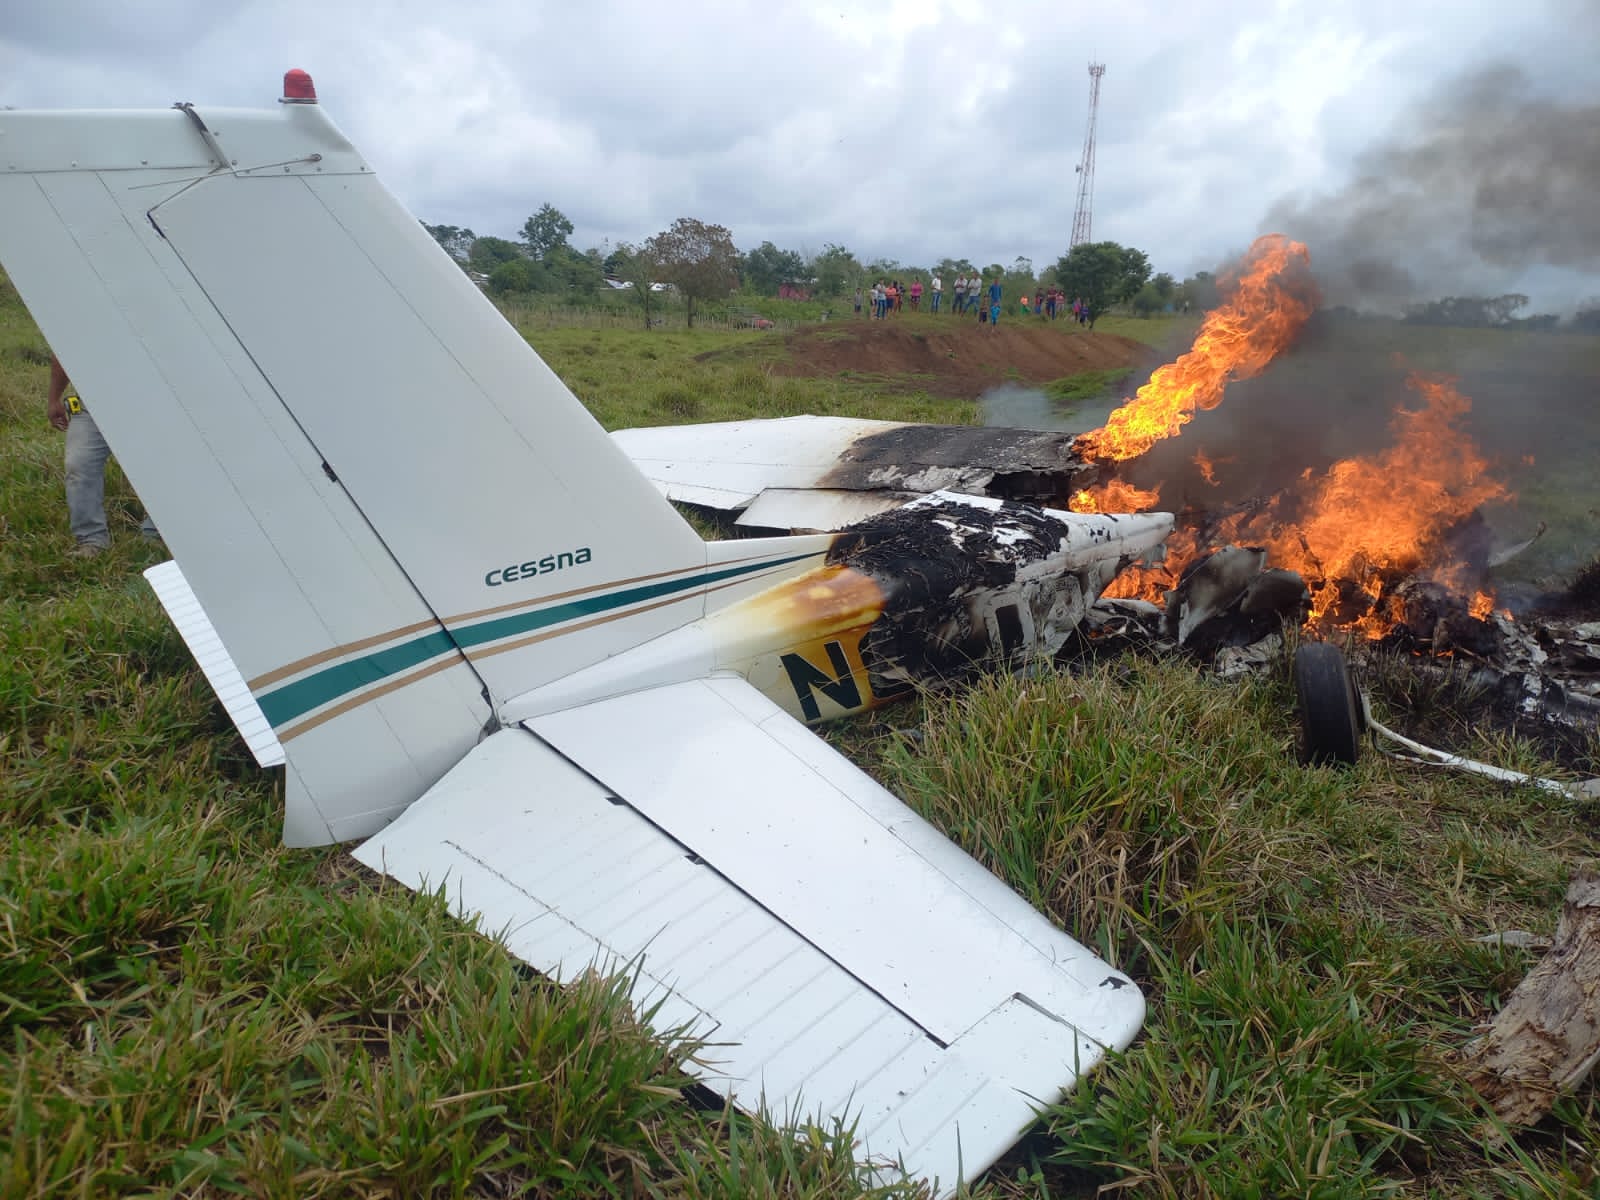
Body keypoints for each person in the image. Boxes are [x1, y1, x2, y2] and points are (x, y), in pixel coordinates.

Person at [46, 354, 159, 557]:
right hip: (92, 403)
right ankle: (92, 541)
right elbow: (65, 353)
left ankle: (156, 532)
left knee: (162, 463)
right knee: (79, 464)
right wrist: (54, 397)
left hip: (151, 401)